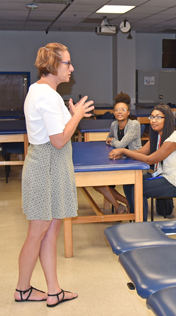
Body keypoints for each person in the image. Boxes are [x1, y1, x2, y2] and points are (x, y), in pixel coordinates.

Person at [16, 43, 94, 307]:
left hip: (52, 164)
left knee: (51, 230)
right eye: (67, 63)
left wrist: (72, 115)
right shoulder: (46, 95)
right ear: (52, 66)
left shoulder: (42, 92)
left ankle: (53, 291)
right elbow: (59, 139)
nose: (72, 68)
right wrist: (78, 115)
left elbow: (57, 131)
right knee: (37, 232)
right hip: (47, 164)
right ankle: (23, 289)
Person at [109, 104, 176, 221]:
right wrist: (124, 154)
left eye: (158, 117)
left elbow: (150, 159)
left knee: (139, 189)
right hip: (162, 175)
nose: (154, 121)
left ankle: (141, 225)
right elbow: (142, 152)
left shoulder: (173, 139)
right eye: (152, 117)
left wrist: (123, 150)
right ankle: (135, 216)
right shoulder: (158, 135)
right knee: (129, 183)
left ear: (167, 119)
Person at [93, 92, 141, 214]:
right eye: (117, 110)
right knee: (97, 182)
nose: (120, 112)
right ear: (114, 113)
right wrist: (111, 140)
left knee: (101, 183)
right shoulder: (114, 125)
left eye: (123, 109)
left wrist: (113, 141)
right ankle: (124, 204)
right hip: (120, 161)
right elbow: (107, 139)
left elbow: (119, 144)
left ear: (128, 112)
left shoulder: (134, 125)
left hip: (135, 163)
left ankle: (127, 204)